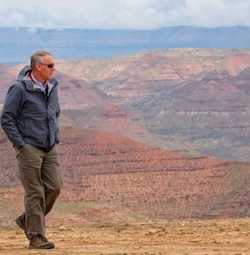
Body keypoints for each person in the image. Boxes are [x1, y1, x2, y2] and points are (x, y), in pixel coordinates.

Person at [1, 50, 62, 249]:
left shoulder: (52, 87)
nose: (54, 69)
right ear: (39, 67)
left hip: (49, 146)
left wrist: (55, 136)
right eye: (50, 65)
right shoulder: (19, 88)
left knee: (54, 187)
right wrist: (21, 144)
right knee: (35, 191)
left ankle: (27, 219)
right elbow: (7, 118)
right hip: (29, 146)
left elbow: (55, 113)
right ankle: (36, 237)